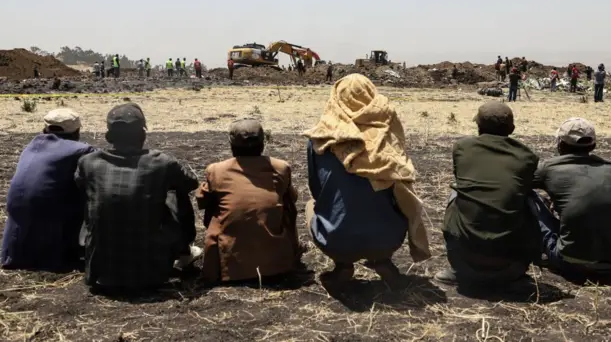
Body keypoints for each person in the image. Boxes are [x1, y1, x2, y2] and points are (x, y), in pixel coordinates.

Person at [304, 74, 431, 284]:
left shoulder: (320, 142)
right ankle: (382, 260)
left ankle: (342, 264)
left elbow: (317, 189)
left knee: (311, 205)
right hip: (388, 238)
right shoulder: (388, 138)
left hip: (337, 239)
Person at [75, 103, 201, 290]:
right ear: (142, 135)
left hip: (101, 274)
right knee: (175, 193)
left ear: (109, 136)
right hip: (152, 273)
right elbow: (191, 183)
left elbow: (80, 187)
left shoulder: (88, 163)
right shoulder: (162, 162)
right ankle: (184, 252)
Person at [436, 102, 540, 286]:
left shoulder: (462, 148)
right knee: (530, 198)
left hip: (464, 260)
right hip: (511, 266)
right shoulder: (527, 156)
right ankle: (518, 272)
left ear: (478, 127)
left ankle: (458, 270)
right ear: (512, 128)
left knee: (457, 193)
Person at [196, 118, 301, 283]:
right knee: (285, 203)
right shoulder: (280, 167)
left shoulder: (216, 170)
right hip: (277, 265)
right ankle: (289, 249)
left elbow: (201, 201)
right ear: (263, 143)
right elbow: (293, 198)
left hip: (229, 268)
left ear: (231, 145)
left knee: (216, 206)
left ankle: (220, 256)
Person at [1, 109, 95, 271]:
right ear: (77, 131)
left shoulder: (32, 144)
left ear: (45, 129)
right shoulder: (81, 150)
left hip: (17, 222)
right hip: (49, 218)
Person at [532, 118, 611, 278]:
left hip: (571, 264)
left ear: (560, 144)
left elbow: (519, 183)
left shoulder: (549, 168)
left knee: (530, 198)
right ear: (593, 145)